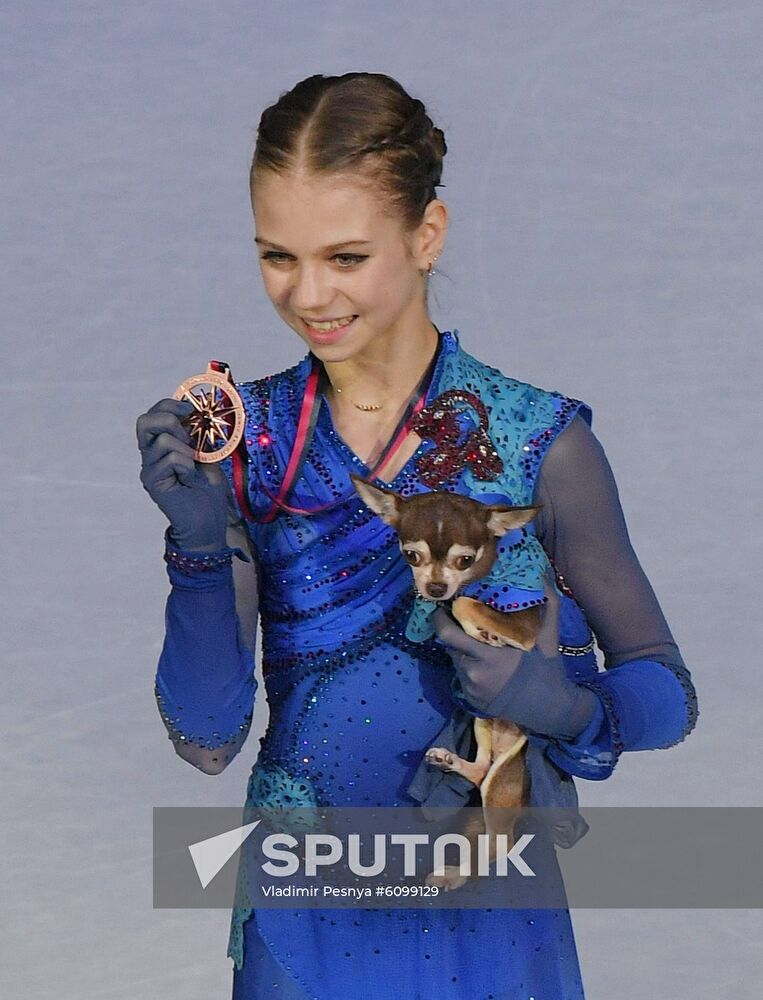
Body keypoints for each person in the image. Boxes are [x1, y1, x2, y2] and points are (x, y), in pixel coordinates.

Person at [136, 72, 698, 1000]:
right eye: (277, 256)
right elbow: (205, 736)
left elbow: (666, 693)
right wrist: (199, 550)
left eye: (346, 257)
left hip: (489, 911)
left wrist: (565, 708)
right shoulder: (252, 442)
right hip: (308, 903)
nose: (308, 294)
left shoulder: (535, 444)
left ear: (425, 235)